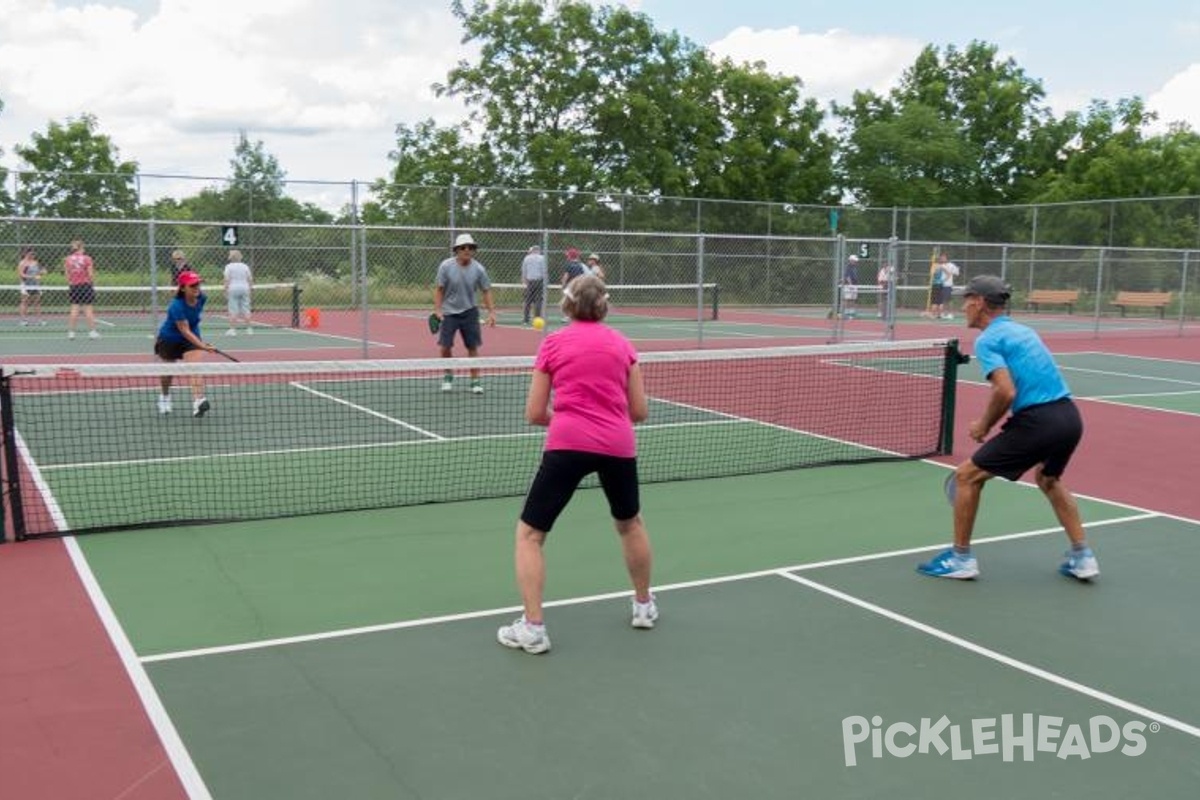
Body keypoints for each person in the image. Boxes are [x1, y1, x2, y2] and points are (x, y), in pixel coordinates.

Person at [497, 274, 657, 654]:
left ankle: (533, 629)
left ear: (566, 305)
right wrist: (603, 420)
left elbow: (535, 413)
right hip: (618, 445)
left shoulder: (553, 343)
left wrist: (574, 421)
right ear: (604, 305)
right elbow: (639, 411)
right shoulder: (623, 345)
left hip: (566, 444)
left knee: (530, 535)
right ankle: (643, 607)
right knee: (630, 522)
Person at [917, 275, 1099, 581]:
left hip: (1039, 421)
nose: (964, 308)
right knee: (1048, 478)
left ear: (979, 303)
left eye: (966, 301)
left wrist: (983, 425)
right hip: (1069, 418)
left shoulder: (988, 339)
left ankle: (960, 559)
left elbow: (1005, 391)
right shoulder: (1022, 330)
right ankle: (1082, 557)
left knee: (966, 477)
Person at [434, 233, 496, 394]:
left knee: (472, 347)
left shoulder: (479, 269)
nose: (467, 250)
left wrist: (491, 312)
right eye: (463, 247)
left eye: (471, 247)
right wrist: (438, 310)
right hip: (449, 313)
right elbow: (439, 289)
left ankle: (475, 381)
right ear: (457, 250)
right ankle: (448, 376)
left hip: (470, 312)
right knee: (444, 347)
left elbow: (486, 291)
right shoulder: (445, 266)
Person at [154, 270, 217, 417]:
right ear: (183, 288)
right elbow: (184, 330)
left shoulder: (202, 298)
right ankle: (164, 397)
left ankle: (198, 401)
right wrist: (203, 346)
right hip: (169, 339)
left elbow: (191, 327)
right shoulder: (176, 306)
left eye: (198, 284)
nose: (197, 287)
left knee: (195, 367)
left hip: (191, 337)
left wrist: (199, 344)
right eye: (193, 285)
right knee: (167, 374)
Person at [63, 239, 99, 339]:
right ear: (81, 247)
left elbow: (67, 274)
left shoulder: (68, 259)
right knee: (88, 309)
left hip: (74, 286)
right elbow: (90, 274)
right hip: (85, 285)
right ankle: (92, 332)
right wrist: (93, 282)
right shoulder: (87, 258)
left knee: (74, 308)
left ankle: (71, 333)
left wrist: (71, 282)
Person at [223, 249, 254, 335]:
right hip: (245, 288)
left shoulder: (228, 267)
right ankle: (249, 329)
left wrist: (225, 290)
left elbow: (226, 279)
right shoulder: (245, 266)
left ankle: (232, 330)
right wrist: (250, 289)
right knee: (246, 309)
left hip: (233, 289)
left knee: (233, 309)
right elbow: (250, 279)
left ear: (231, 258)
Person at [520, 244, 547, 326]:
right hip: (539, 281)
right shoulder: (542, 258)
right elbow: (544, 271)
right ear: (538, 250)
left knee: (527, 300)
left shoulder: (526, 258)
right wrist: (545, 281)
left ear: (532, 250)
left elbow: (524, 270)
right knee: (538, 301)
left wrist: (524, 281)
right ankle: (537, 318)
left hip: (529, 281)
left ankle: (526, 319)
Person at [17, 247, 44, 326]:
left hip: (35, 285)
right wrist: (32, 277)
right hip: (26, 284)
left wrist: (42, 272)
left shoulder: (35, 262)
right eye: (31, 254)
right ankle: (23, 320)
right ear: (26, 253)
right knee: (25, 302)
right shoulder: (22, 263)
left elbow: (39, 272)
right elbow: (21, 275)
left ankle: (39, 320)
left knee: (37, 302)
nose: (33, 255)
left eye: (33, 254)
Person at [937, 253, 960, 320]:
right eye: (941, 258)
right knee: (941, 300)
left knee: (948, 300)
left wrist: (956, 269)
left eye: (944, 257)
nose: (942, 259)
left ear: (947, 258)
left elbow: (957, 273)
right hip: (940, 285)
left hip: (947, 285)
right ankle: (942, 314)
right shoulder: (939, 265)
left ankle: (950, 314)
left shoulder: (951, 265)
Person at [840, 254, 860, 319]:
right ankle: (846, 313)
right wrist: (850, 284)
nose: (856, 262)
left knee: (853, 299)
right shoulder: (848, 267)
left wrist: (854, 285)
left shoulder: (855, 267)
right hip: (849, 285)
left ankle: (851, 313)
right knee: (847, 299)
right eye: (854, 261)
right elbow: (847, 276)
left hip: (854, 285)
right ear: (851, 260)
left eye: (856, 261)